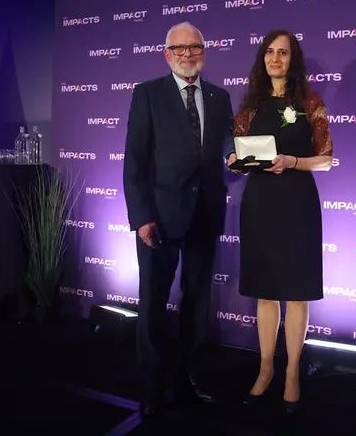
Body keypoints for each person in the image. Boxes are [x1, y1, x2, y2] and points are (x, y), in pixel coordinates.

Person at [123, 22, 234, 417]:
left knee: (197, 304)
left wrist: (236, 156)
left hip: (205, 214)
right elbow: (134, 162)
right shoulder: (147, 94)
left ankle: (185, 380)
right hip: (159, 219)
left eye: (195, 47)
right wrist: (142, 217)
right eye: (180, 48)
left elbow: (226, 146)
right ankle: (152, 388)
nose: (188, 54)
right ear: (166, 54)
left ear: (205, 50)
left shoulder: (220, 97)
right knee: (153, 304)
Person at [227, 30, 333, 415]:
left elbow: (326, 159)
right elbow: (237, 153)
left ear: (293, 59)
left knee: (297, 292)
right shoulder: (251, 106)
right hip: (261, 204)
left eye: (283, 52)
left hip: (298, 203)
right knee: (266, 291)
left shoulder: (310, 102)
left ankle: (291, 373)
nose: (275, 58)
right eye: (270, 52)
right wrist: (235, 162)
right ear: (263, 58)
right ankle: (266, 368)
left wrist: (292, 161)